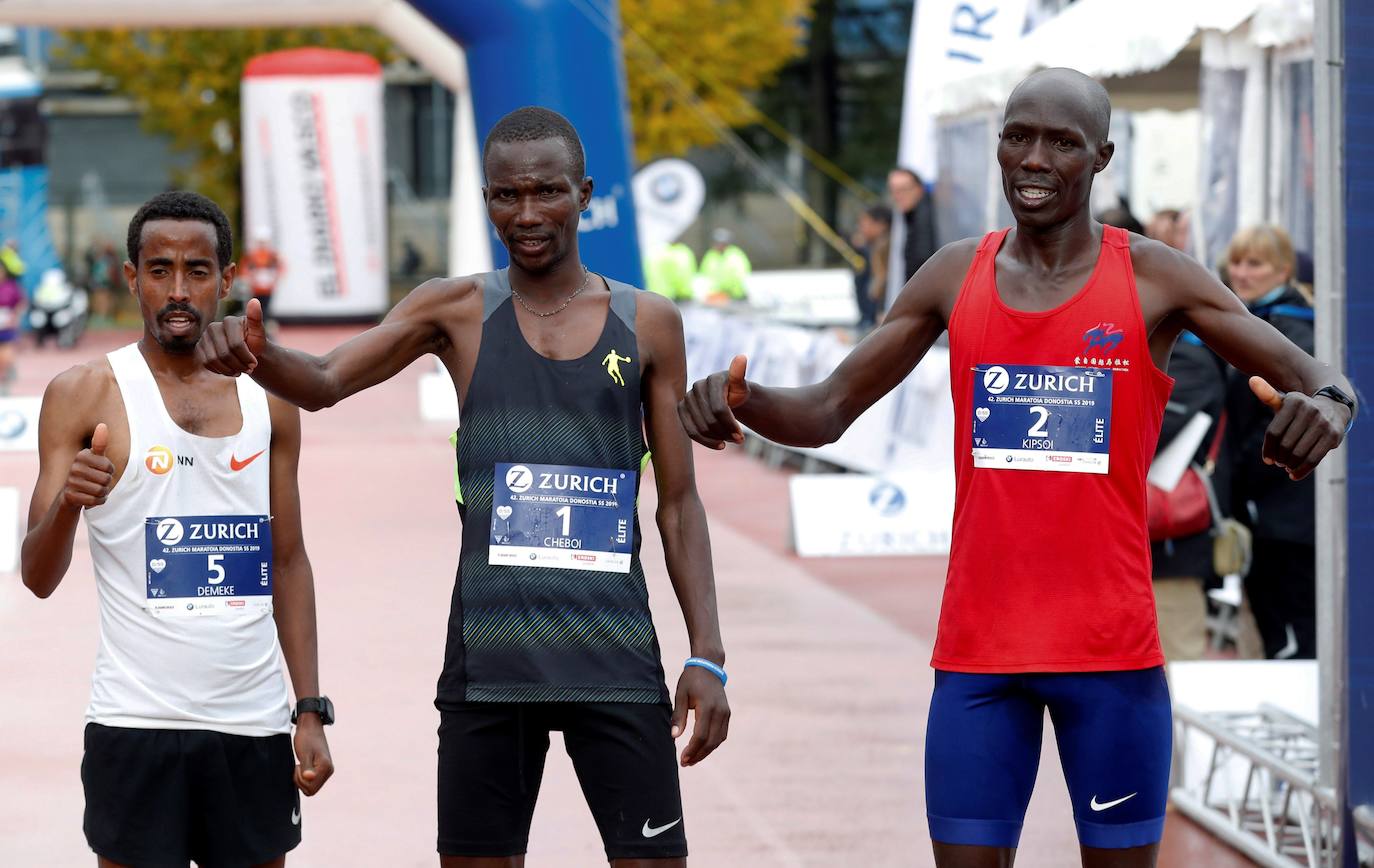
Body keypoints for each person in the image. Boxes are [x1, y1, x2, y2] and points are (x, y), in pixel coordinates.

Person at [679, 68, 1354, 868]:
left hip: (1110, 657)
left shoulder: (1153, 277)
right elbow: (827, 409)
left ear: (1101, 157)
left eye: (1062, 142)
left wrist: (1330, 406)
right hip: (980, 656)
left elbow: (1321, 376)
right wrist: (743, 400)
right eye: (1018, 137)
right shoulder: (954, 273)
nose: (1034, 159)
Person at [197, 106, 729, 867]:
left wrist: (707, 654)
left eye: (547, 192)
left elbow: (678, 503)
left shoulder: (648, 323)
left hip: (613, 654)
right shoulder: (455, 310)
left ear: (584, 194)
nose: (527, 214)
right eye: (507, 195)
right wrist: (258, 353)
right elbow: (325, 380)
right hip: (490, 660)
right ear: (486, 200)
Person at [20, 190, 333, 867]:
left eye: (198, 270)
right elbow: (37, 577)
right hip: (134, 722)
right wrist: (69, 502)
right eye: (160, 270)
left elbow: (288, 560)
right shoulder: (84, 393)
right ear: (132, 278)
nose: (179, 290)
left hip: (252, 721)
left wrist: (309, 708)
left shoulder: (270, 396)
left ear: (227, 278)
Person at [1223, 224, 1317, 659]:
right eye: (1236, 262)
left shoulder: (1288, 332)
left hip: (1286, 517)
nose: (1242, 273)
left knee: (1292, 644)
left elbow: (1279, 423)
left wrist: (1239, 479)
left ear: (1283, 269)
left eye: (1255, 263)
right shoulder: (1258, 323)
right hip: (1272, 513)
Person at [889, 166, 937, 282]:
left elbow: (923, 258)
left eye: (904, 189)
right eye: (893, 190)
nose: (898, 196)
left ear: (919, 189)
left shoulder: (926, 215)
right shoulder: (913, 214)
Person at [852, 205, 891, 330]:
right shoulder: (872, 247)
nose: (861, 228)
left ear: (881, 225)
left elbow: (877, 287)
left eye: (865, 223)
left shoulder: (884, 248)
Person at [240, 228, 284, 325]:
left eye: (264, 242)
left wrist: (274, 278)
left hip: (268, 289)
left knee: (266, 310)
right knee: (255, 309)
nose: (262, 245)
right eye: (260, 242)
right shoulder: (252, 255)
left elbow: (281, 268)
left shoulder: (273, 255)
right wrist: (250, 279)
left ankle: (265, 327)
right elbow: (244, 269)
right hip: (255, 289)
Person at [698, 228, 750, 302]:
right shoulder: (710, 256)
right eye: (716, 243)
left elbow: (740, 276)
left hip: (735, 296)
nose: (718, 246)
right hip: (717, 297)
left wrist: (731, 293)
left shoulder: (735, 255)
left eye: (722, 243)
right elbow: (705, 275)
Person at [0, 258, 23, 394]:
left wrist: (15, 317)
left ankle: (4, 382)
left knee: (5, 355)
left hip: (6, 325)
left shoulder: (11, 287)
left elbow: (21, 302)